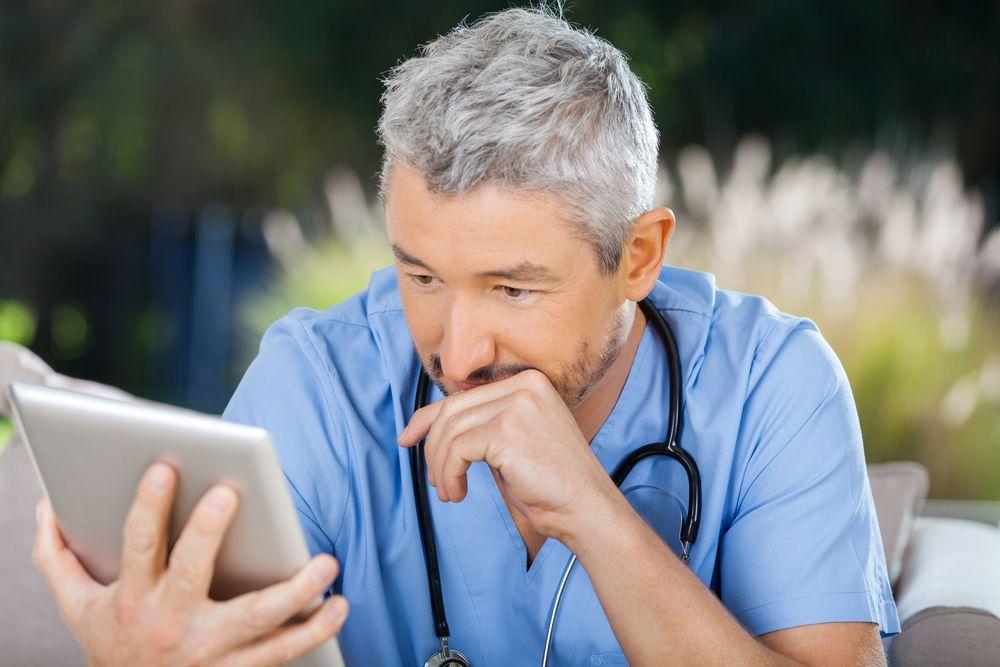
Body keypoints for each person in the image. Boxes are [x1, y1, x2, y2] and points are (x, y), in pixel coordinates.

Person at [32, 7, 900, 666]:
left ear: (638, 257)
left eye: (513, 288)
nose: (456, 352)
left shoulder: (774, 383)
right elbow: (211, 632)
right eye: (422, 276)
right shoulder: (317, 382)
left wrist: (595, 514)